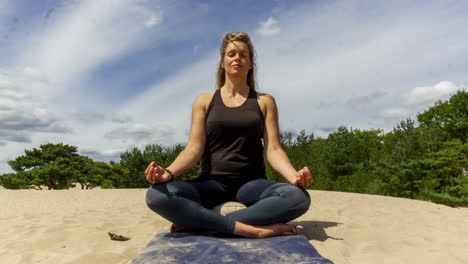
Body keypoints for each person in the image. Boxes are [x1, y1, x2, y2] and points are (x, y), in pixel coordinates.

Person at [145, 32, 313, 238]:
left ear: (250, 63)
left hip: (252, 184)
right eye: (231, 54)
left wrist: (293, 177)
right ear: (222, 63)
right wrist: (168, 173)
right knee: (156, 195)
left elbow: (274, 149)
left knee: (298, 197)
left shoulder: (265, 101)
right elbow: (193, 149)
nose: (237, 58)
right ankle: (252, 230)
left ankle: (202, 224)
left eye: (243, 55)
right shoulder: (204, 101)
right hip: (210, 183)